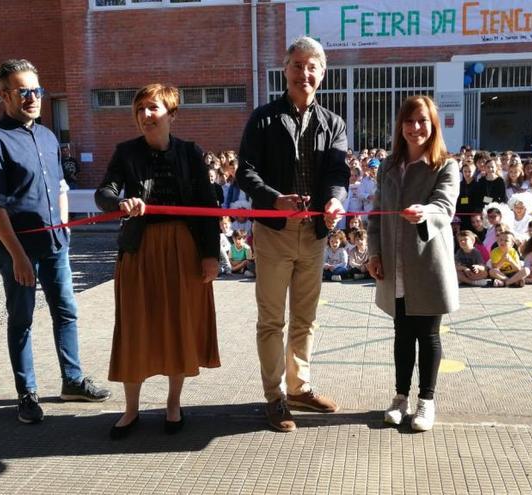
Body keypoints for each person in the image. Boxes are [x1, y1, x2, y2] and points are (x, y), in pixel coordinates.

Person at [0, 59, 110, 424]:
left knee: (66, 311)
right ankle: (27, 393)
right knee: (21, 319)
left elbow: (60, 187)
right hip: (18, 251)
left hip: (56, 246)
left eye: (37, 90)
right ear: (5, 95)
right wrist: (17, 256)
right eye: (24, 91)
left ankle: (72, 380)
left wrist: (64, 227)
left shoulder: (49, 136)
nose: (33, 97)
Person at [95, 83, 220, 439]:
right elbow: (104, 192)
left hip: (184, 249)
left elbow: (207, 208)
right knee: (135, 325)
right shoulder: (125, 153)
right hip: (139, 250)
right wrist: (119, 203)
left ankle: (173, 405)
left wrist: (211, 255)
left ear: (172, 114)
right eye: (139, 110)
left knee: (178, 324)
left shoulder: (191, 153)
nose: (145, 115)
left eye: (152, 108)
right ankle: (130, 410)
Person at [236, 36, 349, 432]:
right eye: (297, 65)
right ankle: (274, 395)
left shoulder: (333, 123)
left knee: (306, 318)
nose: (305, 73)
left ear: (322, 73)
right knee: (271, 320)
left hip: (315, 234)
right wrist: (272, 199)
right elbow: (244, 172)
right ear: (285, 70)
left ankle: (299, 387)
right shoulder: (263, 118)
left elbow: (338, 174)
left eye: (312, 66)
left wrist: (335, 201)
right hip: (274, 232)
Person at [366, 95, 459, 432]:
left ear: (432, 124)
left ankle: (426, 402)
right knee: (402, 333)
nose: (415, 128)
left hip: (427, 264)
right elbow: (376, 214)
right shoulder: (389, 166)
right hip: (395, 264)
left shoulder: (445, 165)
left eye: (422, 121)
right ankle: (400, 397)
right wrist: (373, 252)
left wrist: (425, 213)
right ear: (400, 126)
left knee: (428, 335)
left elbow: (444, 205)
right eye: (409, 121)